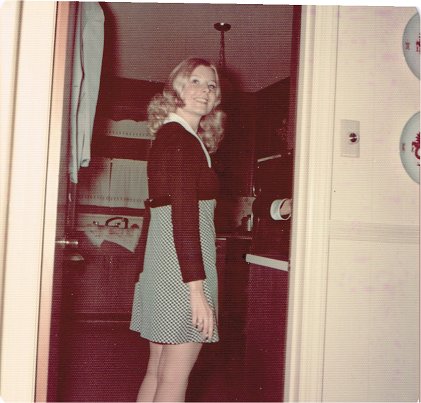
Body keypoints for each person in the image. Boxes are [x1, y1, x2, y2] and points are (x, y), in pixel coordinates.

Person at [130, 58, 226, 402]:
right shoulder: (181, 140)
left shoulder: (171, 136)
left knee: (159, 372)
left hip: (165, 266)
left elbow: (159, 211)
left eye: (211, 85)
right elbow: (184, 216)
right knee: (174, 379)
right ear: (176, 89)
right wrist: (197, 292)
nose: (204, 91)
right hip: (184, 273)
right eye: (195, 81)